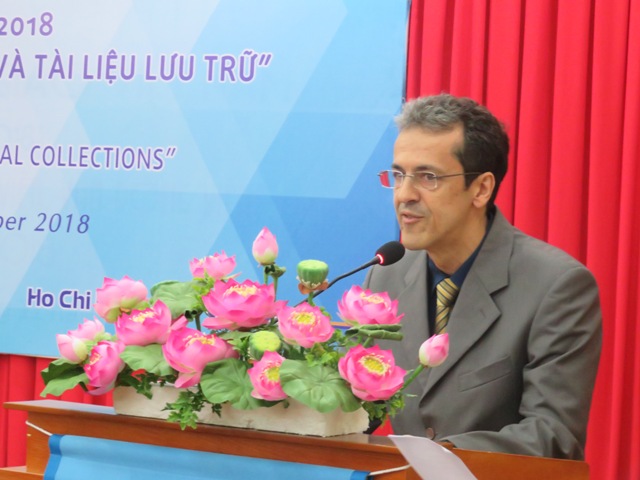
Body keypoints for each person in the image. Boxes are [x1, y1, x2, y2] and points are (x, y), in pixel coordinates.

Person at [364, 94, 602, 460]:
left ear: (481, 189)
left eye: (427, 177)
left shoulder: (556, 286)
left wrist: (437, 459)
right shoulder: (385, 276)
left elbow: (552, 435)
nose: (404, 195)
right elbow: (358, 407)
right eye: (398, 175)